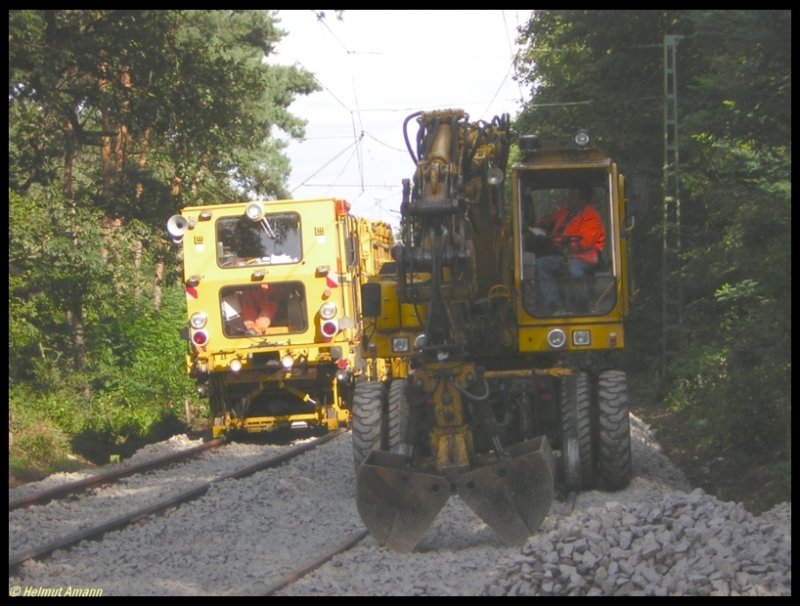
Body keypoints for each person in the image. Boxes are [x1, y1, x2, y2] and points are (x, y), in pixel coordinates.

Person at [529, 186, 605, 314]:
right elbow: (549, 218)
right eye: (568, 197)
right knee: (542, 264)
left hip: (584, 257)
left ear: (581, 201)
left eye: (572, 198)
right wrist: (540, 225)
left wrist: (557, 242)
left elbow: (584, 244)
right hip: (564, 256)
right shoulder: (566, 212)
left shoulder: (591, 217)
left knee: (574, 270)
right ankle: (555, 306)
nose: (568, 201)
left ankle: (584, 305)